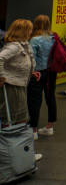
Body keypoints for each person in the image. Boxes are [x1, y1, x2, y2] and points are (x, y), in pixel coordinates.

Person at [0, 19, 42, 162]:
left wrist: (30, 72)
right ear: (23, 31)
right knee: (13, 119)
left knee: (19, 119)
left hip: (19, 85)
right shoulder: (14, 47)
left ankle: (20, 152)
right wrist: (1, 77)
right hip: (12, 87)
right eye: (29, 29)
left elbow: (18, 64)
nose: (31, 32)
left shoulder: (22, 45)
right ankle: (14, 153)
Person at [27, 15, 57, 138]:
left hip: (37, 73)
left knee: (34, 100)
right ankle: (49, 126)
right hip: (51, 72)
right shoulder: (53, 38)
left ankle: (33, 130)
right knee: (50, 98)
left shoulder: (34, 40)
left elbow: (31, 58)